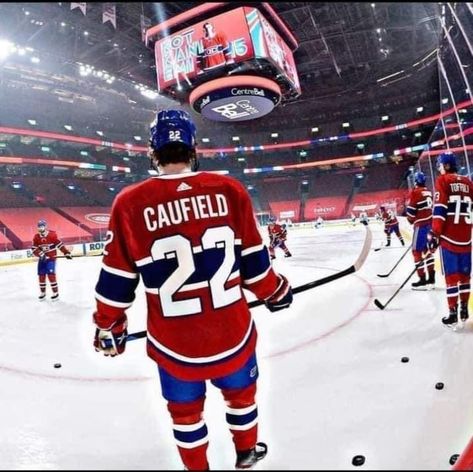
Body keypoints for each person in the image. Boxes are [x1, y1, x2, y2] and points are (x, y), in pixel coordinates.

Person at [92, 110, 293, 470]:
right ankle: (246, 452)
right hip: (233, 334)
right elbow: (255, 266)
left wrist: (109, 325)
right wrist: (275, 292)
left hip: (175, 345)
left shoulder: (129, 202)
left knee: (185, 414)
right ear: (193, 148)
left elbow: (116, 282)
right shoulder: (228, 190)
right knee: (242, 396)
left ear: (153, 153)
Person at [429, 152, 473, 329]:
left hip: (449, 238)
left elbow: (439, 210)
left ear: (446, 166)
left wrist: (434, 234)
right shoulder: (469, 182)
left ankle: (453, 313)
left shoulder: (443, 181)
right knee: (464, 277)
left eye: (440, 165)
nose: (439, 168)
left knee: (451, 278)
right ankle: (464, 309)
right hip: (466, 238)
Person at [406, 171, 435, 290]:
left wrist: (410, 220)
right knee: (427, 251)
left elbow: (411, 213)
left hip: (421, 226)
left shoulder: (415, 192)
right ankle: (431, 279)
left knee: (416, 252)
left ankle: (422, 279)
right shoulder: (428, 191)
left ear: (416, 181)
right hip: (430, 225)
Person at [31, 219, 72, 301]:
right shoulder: (36, 237)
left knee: (51, 274)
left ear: (45, 226)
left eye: (42, 226)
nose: (40, 228)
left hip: (51, 259)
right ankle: (43, 293)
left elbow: (59, 245)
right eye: (39, 226)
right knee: (41, 275)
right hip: (42, 260)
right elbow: (34, 248)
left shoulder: (52, 235)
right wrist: (41, 254)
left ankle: (55, 293)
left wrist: (66, 252)